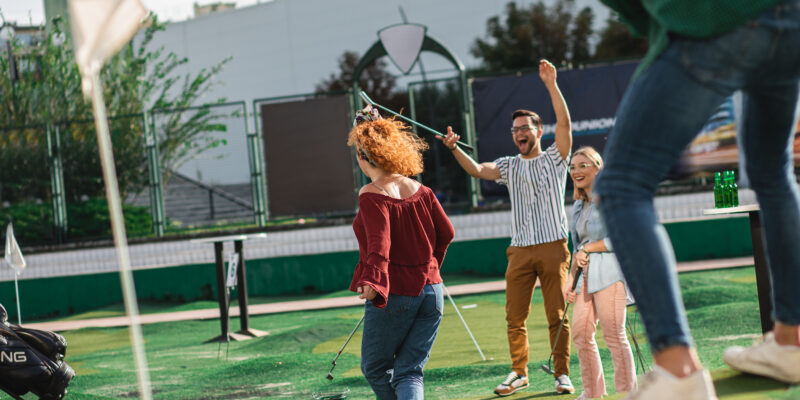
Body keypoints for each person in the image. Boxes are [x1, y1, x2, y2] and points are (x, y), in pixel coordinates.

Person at [593, 1, 800, 399]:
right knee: (773, 172)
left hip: (715, 16)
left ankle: (677, 368)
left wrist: (650, 21)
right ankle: (790, 339)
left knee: (621, 185)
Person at [437, 59, 575, 396]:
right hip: (520, 250)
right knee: (515, 317)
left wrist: (551, 85)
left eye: (525, 128)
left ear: (538, 131)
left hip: (554, 245)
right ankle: (519, 373)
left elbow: (566, 125)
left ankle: (561, 374)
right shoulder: (509, 165)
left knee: (557, 315)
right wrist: (455, 149)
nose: (519, 134)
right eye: (515, 130)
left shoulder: (555, 158)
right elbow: (477, 170)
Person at [347, 105, 455, 400]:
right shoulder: (423, 190)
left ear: (361, 155)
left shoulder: (371, 194)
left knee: (374, 368)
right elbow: (447, 234)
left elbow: (380, 244)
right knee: (409, 372)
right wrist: (430, 268)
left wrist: (373, 281)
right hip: (433, 292)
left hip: (395, 294)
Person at [563, 147, 637, 399]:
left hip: (610, 272)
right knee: (581, 334)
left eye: (583, 165)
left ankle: (628, 392)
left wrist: (588, 248)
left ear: (597, 167)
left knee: (614, 336)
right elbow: (577, 248)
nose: (576, 171)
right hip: (585, 276)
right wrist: (569, 279)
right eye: (573, 167)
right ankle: (593, 392)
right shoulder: (577, 205)